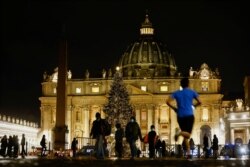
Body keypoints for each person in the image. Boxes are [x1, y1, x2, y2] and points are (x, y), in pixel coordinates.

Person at [166, 77, 201, 159]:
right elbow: (200, 102)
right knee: (188, 135)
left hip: (180, 115)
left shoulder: (177, 93)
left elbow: (167, 101)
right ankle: (179, 133)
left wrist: (174, 108)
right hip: (189, 115)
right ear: (188, 84)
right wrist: (194, 106)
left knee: (185, 136)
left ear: (180, 85)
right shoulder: (192, 92)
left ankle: (188, 154)